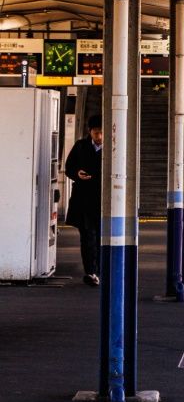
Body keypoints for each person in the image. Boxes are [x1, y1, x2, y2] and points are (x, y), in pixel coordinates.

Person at [65, 114, 103, 287]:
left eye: (102, 133)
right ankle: (91, 272)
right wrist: (77, 174)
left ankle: (101, 270)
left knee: (101, 237)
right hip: (84, 199)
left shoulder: (113, 147)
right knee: (87, 237)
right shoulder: (80, 146)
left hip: (104, 201)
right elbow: (69, 168)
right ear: (90, 131)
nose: (100, 137)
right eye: (96, 133)